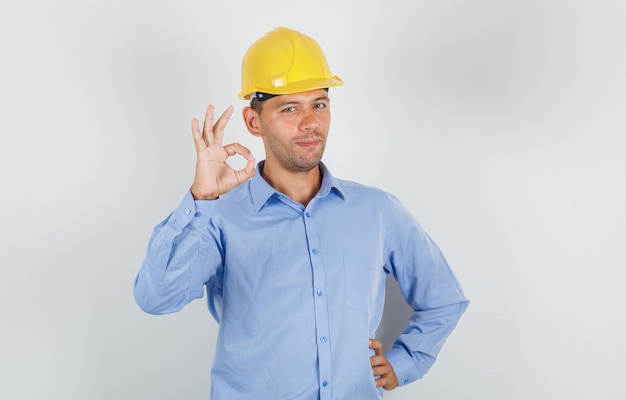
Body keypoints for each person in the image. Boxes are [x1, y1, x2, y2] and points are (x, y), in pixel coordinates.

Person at [134, 26, 468, 400]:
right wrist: (201, 198)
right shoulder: (220, 216)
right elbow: (156, 298)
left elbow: (444, 297)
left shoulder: (377, 211)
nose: (310, 123)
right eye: (289, 108)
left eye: (319, 105)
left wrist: (404, 363)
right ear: (253, 121)